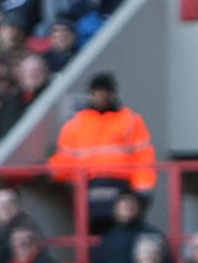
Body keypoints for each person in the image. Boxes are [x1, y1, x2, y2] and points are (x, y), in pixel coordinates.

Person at [47, 73, 156, 227]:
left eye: (104, 92)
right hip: (89, 187)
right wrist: (48, 171)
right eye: (96, 93)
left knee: (121, 230)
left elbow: (143, 158)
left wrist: (142, 190)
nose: (100, 97)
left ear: (112, 94)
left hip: (122, 187)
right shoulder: (77, 123)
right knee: (92, 233)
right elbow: (65, 158)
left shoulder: (130, 120)